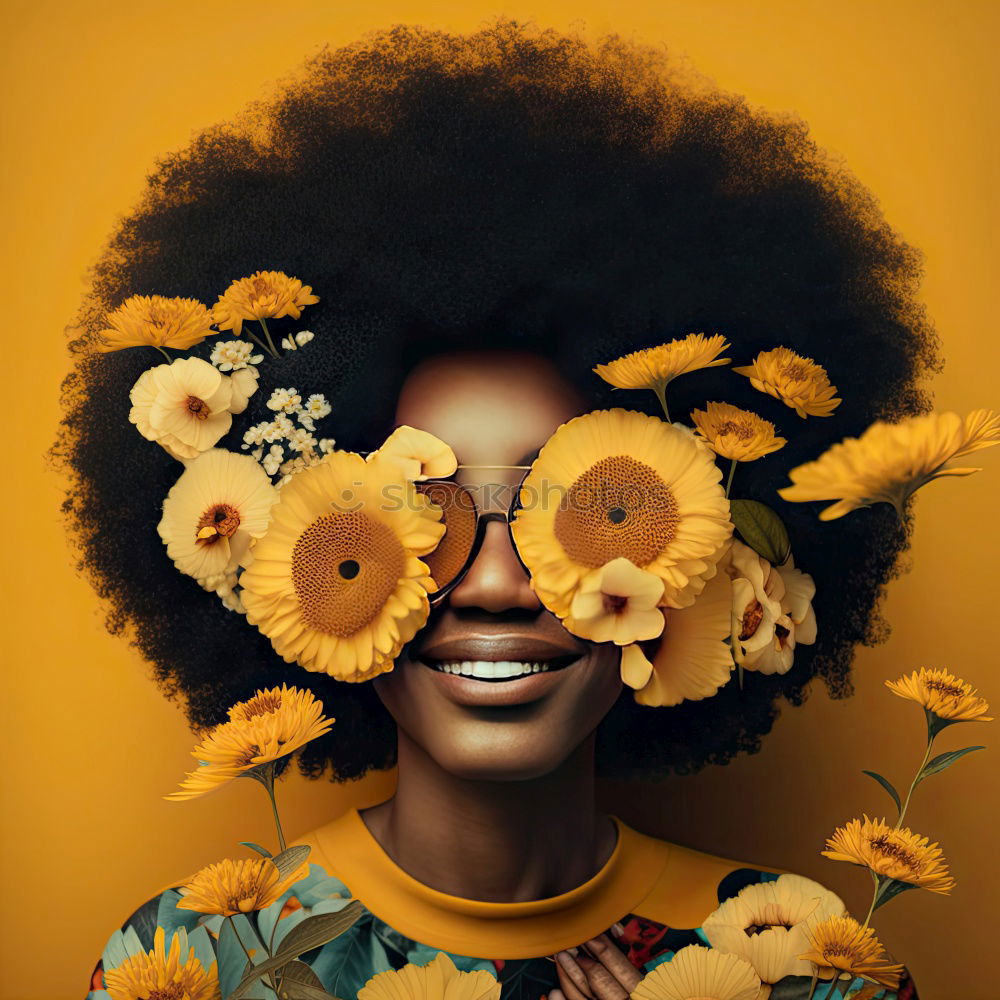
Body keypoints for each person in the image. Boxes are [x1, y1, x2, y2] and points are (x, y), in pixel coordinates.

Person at [59, 21, 932, 999]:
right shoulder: (191, 966)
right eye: (424, 510)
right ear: (296, 558)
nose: (494, 582)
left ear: (702, 549)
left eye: (577, 507)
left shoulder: (811, 967)